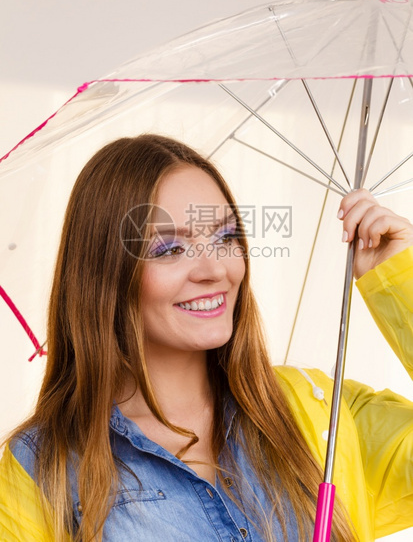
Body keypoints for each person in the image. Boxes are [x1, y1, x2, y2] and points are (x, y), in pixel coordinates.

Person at [0, 133, 413, 542]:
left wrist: (399, 276)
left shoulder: (319, 410)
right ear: (105, 274)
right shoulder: (44, 467)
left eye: (225, 237)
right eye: (169, 249)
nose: (214, 270)